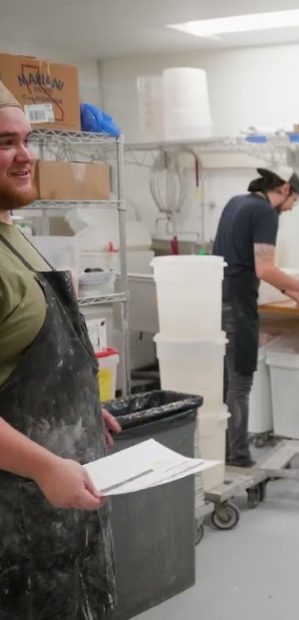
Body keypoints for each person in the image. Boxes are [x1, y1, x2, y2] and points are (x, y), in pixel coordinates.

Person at [0, 81, 122, 617]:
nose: (26, 155)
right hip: (14, 528)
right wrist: (47, 466)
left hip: (62, 519)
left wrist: (75, 408)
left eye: (27, 140)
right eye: (5, 143)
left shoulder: (13, 234)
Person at [213, 166, 299, 467]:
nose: (290, 209)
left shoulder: (236, 203)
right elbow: (264, 268)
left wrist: (291, 292)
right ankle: (239, 458)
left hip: (216, 302)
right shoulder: (265, 212)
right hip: (238, 307)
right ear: (285, 189)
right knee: (240, 384)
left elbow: (244, 260)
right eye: (294, 201)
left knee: (225, 383)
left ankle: (222, 453)